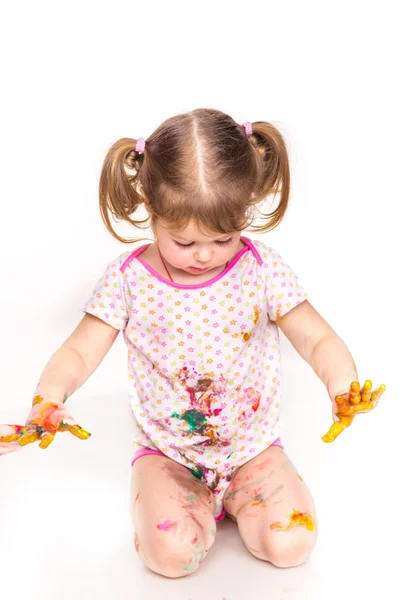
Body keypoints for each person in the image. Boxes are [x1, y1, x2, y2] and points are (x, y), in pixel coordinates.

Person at [0, 108, 382, 578]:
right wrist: (47, 400)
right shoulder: (127, 281)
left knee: (291, 544)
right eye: (183, 242)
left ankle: (234, 501)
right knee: (173, 556)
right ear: (152, 212)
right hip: (169, 454)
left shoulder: (261, 268)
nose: (204, 256)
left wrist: (343, 384)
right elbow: (78, 351)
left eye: (223, 238)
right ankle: (185, 504)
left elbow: (317, 336)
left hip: (252, 450)